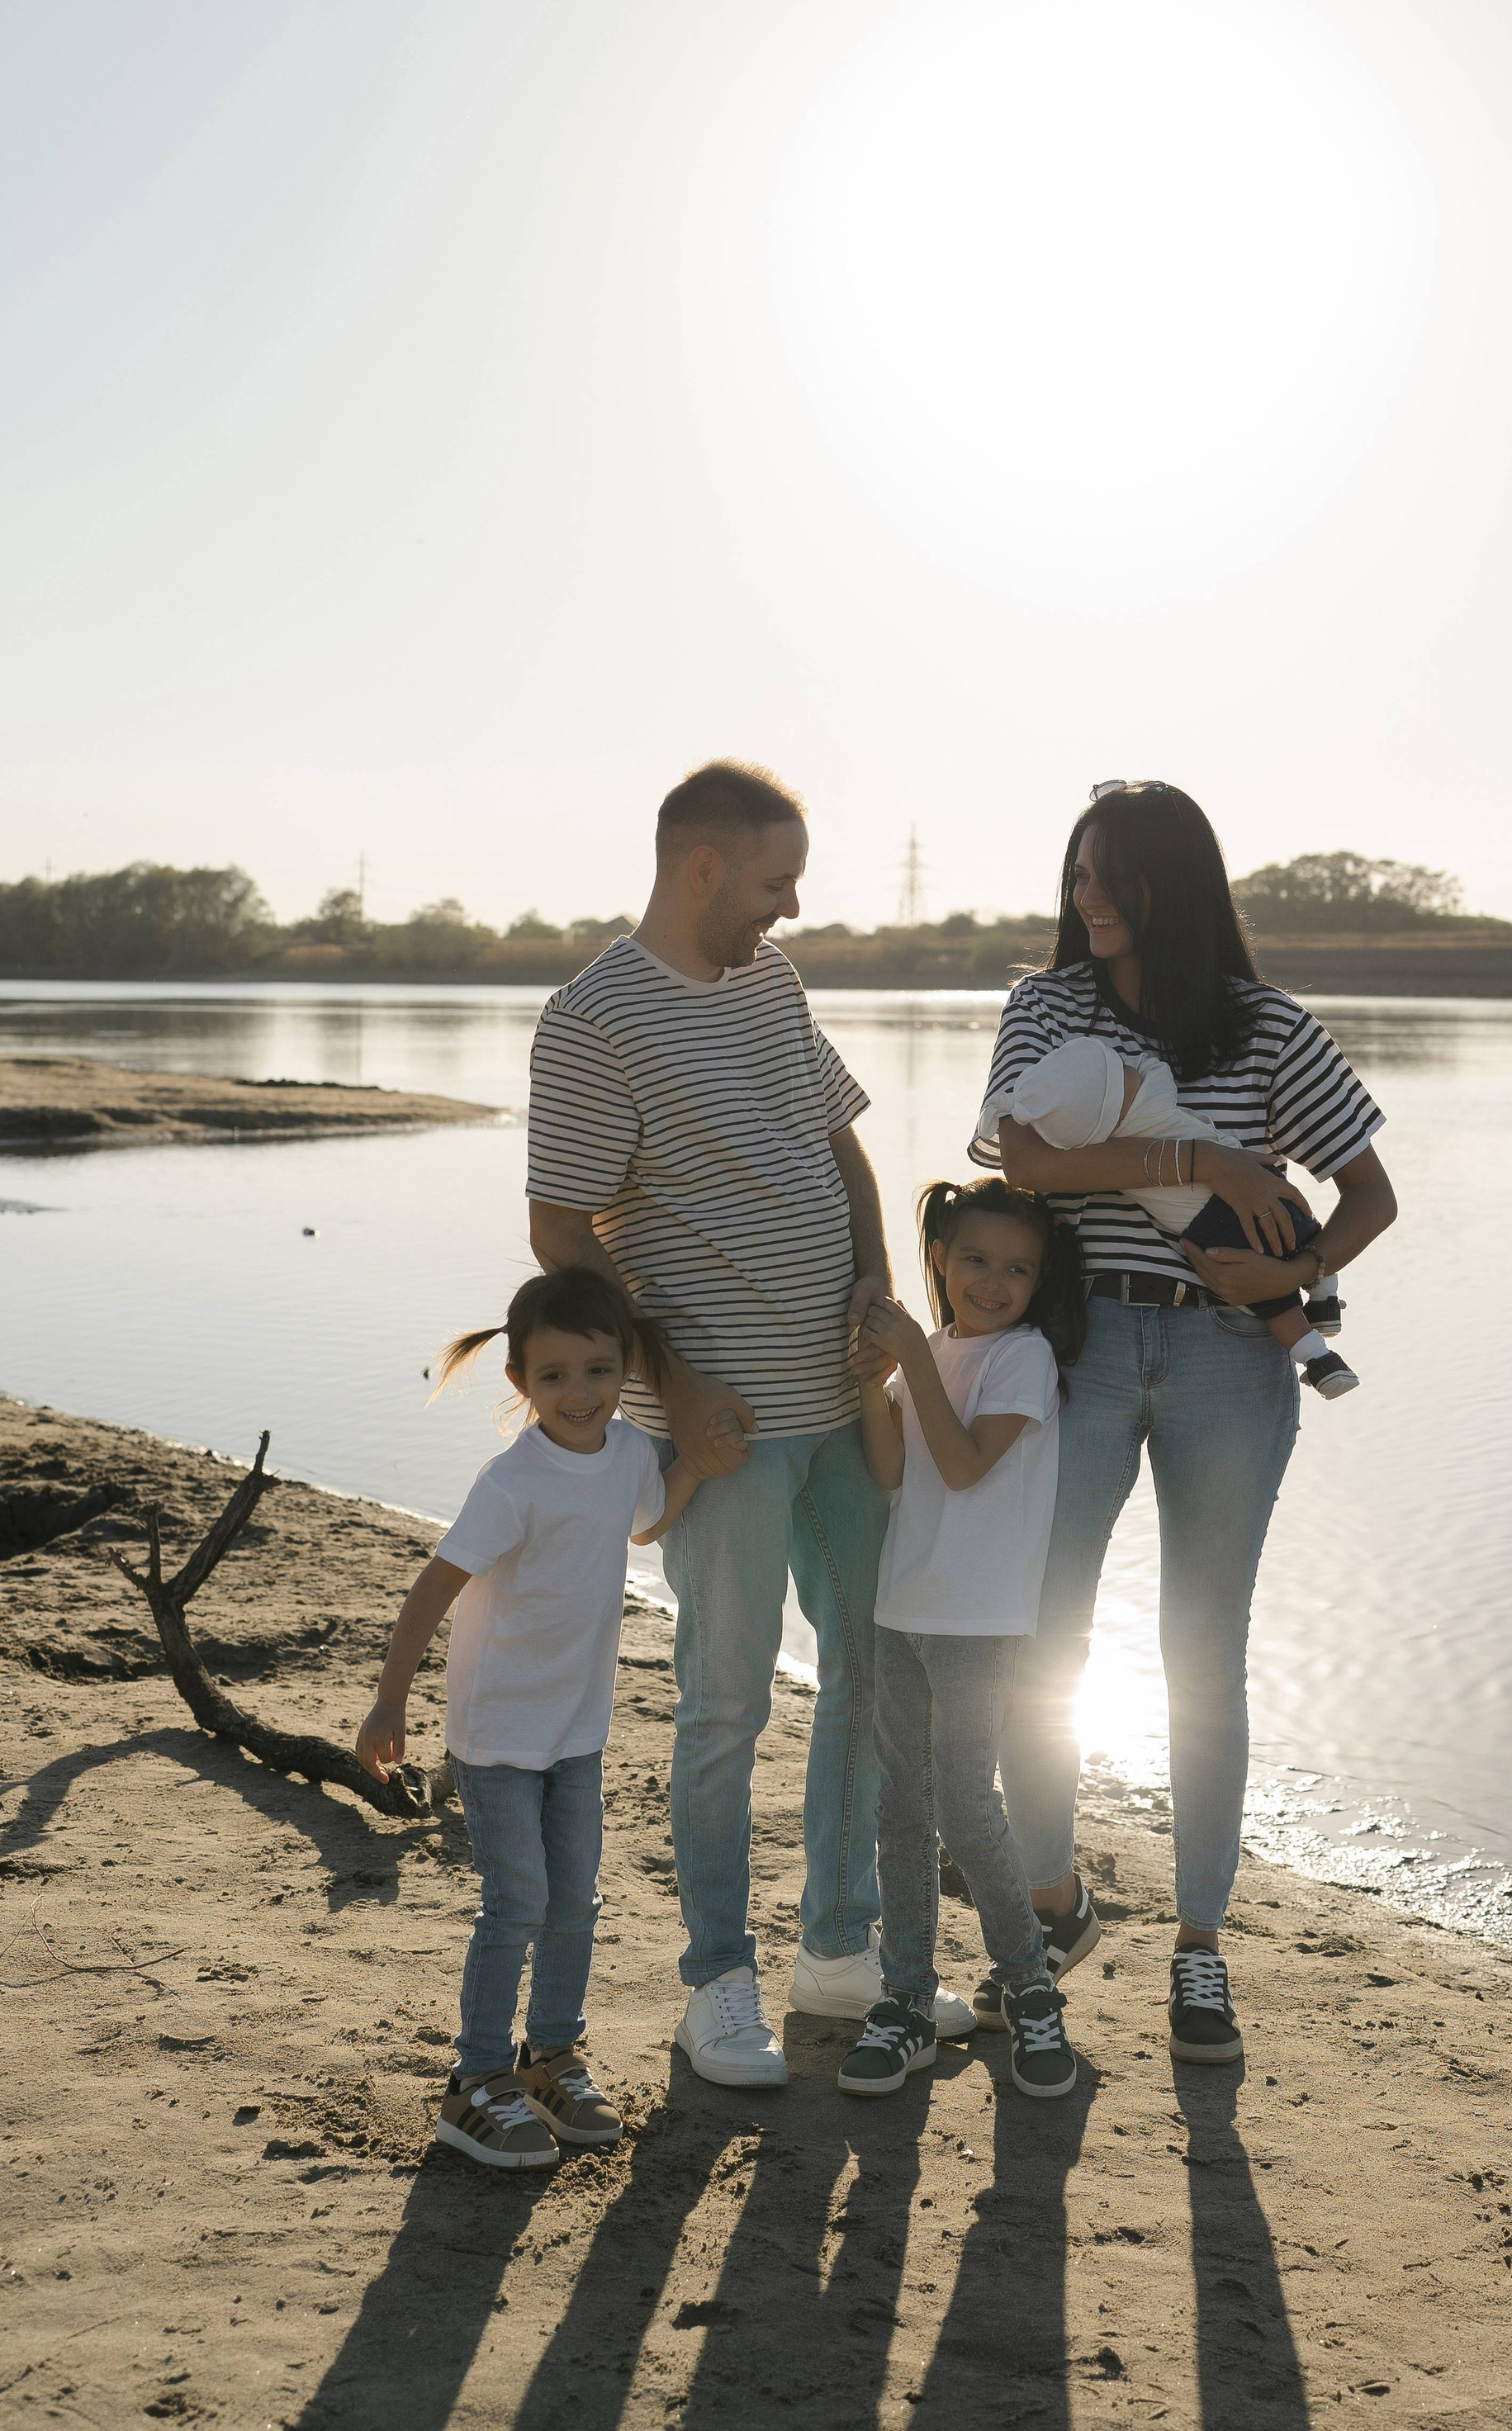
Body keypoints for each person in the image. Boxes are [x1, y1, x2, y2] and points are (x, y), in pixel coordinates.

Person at [524, 760, 969, 2092]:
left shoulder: (772, 985)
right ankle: (714, 1982)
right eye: (776, 881)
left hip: (842, 1405)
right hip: (722, 1428)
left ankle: (837, 1952)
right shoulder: (592, 1019)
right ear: (702, 867)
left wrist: (882, 1291)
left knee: (873, 1674)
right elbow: (562, 1230)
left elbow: (838, 1145)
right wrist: (663, 1389)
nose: (790, 907)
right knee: (723, 1706)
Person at [974, 781, 1398, 2067]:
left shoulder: (1267, 1027)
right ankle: (1052, 1904)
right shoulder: (1046, 1004)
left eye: (1112, 876)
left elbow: (1372, 1192)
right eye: (1078, 874)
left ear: (1178, 884)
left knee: (1202, 1653)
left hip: (1229, 1362)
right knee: (1040, 1632)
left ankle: (1201, 1950)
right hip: (1086, 1345)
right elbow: (1023, 1161)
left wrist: (1296, 1276)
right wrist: (1206, 1165)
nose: (1087, 897)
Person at [354, 1269, 726, 2169]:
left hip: (577, 1730)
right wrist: (390, 1697)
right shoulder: (511, 1480)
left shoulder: (633, 1450)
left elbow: (643, 1523)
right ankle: (475, 2080)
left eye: (599, 1369)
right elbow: (434, 1587)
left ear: (623, 1368)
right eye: (555, 1375)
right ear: (520, 1380)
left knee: (575, 1902)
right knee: (515, 1901)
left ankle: (551, 2055)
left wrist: (696, 1468)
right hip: (497, 1735)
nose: (580, 1393)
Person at [840, 1180, 1088, 2102]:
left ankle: (1029, 1983)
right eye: (976, 1258)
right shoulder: (933, 1351)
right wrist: (878, 1386)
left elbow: (964, 1462)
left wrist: (908, 1353)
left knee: (965, 1805)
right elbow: (896, 1466)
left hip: (978, 1619)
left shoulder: (1023, 1359)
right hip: (902, 1606)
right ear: (938, 1254)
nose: (994, 1280)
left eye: (1018, 1268)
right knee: (899, 1806)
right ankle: (904, 1998)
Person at [979, 1033, 1360, 1398]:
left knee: (1274, 1303)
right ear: (1116, 1100)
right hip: (1249, 1189)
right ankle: (1324, 1298)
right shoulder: (1152, 1100)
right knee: (1299, 1232)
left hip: (1208, 1233)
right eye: (1119, 1072)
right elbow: (1154, 1065)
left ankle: (1320, 1360)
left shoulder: (1106, 1153)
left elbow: (1050, 1161)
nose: (1127, 1068)